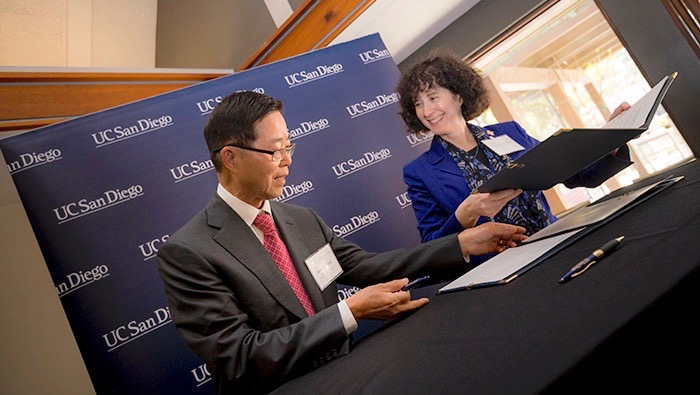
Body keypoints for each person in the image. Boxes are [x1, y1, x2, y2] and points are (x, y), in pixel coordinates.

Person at [155, 91, 527, 395]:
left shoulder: (299, 219)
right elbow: (239, 356)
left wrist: (462, 242)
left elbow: (372, 268)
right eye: (275, 151)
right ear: (231, 158)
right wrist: (350, 312)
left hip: (353, 374)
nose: (287, 162)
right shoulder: (189, 252)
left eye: (290, 147)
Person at [397, 52, 633, 265]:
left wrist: (610, 139)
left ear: (458, 96)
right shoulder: (420, 172)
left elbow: (577, 174)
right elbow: (433, 247)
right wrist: (466, 213)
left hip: (559, 246)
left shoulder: (509, 132)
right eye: (418, 104)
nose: (427, 111)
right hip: (505, 272)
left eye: (433, 97)